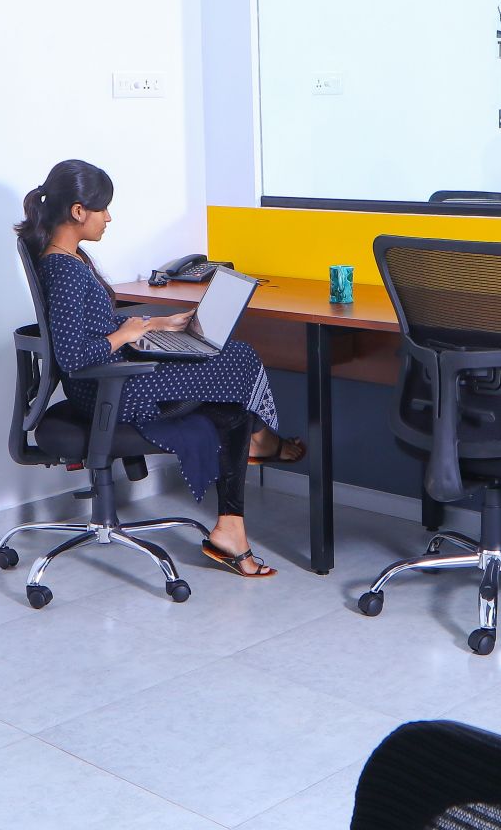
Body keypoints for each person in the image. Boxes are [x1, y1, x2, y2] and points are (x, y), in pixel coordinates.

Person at [17, 159, 302, 578]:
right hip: (110, 391)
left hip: (113, 379)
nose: (108, 217)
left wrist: (156, 325)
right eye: (102, 208)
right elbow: (73, 356)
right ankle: (263, 442)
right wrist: (125, 335)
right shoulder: (64, 271)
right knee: (238, 356)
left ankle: (232, 525)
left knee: (230, 403)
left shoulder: (67, 258)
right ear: (78, 211)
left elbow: (93, 326)